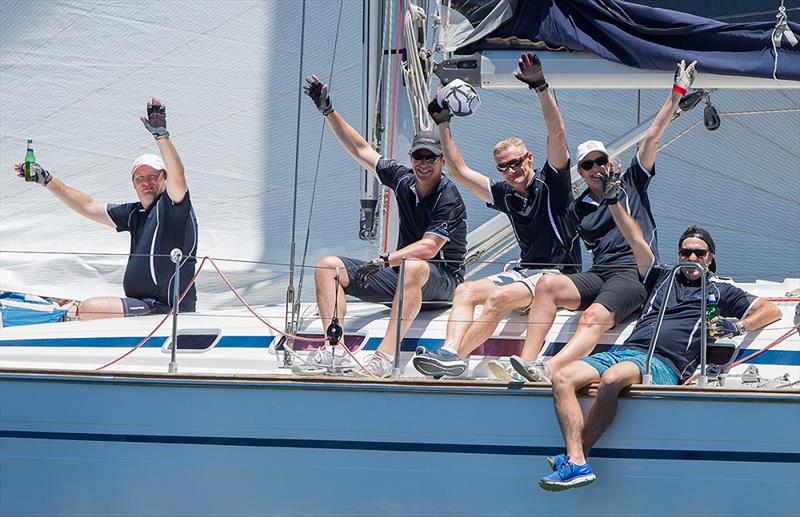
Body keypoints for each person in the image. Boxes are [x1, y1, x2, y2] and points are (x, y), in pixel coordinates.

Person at [538, 166, 782, 491]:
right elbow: (635, 239)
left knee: (611, 380)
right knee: (563, 378)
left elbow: (771, 310)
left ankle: (576, 458)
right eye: (686, 252)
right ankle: (576, 459)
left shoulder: (721, 289)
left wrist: (736, 324)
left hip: (664, 364)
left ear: (710, 258)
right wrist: (614, 202)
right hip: (627, 352)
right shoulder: (661, 277)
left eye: (699, 253)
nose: (692, 257)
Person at [509, 59, 699, 383]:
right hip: (599, 272)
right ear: (581, 173)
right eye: (587, 165)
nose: (596, 168)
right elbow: (556, 136)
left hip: (634, 274)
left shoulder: (633, 183)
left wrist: (677, 93)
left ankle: (549, 368)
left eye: (600, 161)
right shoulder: (578, 206)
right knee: (546, 285)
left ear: (611, 163)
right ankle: (524, 363)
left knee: (592, 317)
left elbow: (651, 138)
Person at [412, 52, 581, 379]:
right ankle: (448, 351)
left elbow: (557, 134)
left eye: (516, 162)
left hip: (557, 278)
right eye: (503, 167)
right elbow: (459, 172)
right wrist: (443, 124)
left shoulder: (553, 183)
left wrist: (541, 87)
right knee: (465, 290)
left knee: (500, 297)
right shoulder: (504, 193)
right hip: (526, 273)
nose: (511, 170)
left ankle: (454, 357)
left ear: (529, 158)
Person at [303, 75, 468, 378]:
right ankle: (334, 350)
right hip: (403, 278)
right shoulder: (404, 179)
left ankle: (384, 356)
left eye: (430, 157)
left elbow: (430, 247)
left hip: (444, 284)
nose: (423, 163)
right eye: (418, 156)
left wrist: (384, 260)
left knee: (415, 265)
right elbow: (361, 150)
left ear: (442, 160)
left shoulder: (449, 196)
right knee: (328, 267)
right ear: (411, 157)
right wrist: (329, 112)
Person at [14, 98, 198, 319]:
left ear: (164, 179)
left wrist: (161, 137)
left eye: (153, 176)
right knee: (79, 307)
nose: (146, 182)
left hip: (166, 310)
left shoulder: (172, 207)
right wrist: (47, 180)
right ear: (133, 183)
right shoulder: (134, 213)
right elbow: (88, 206)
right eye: (140, 177)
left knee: (89, 309)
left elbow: (179, 176)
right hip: (142, 305)